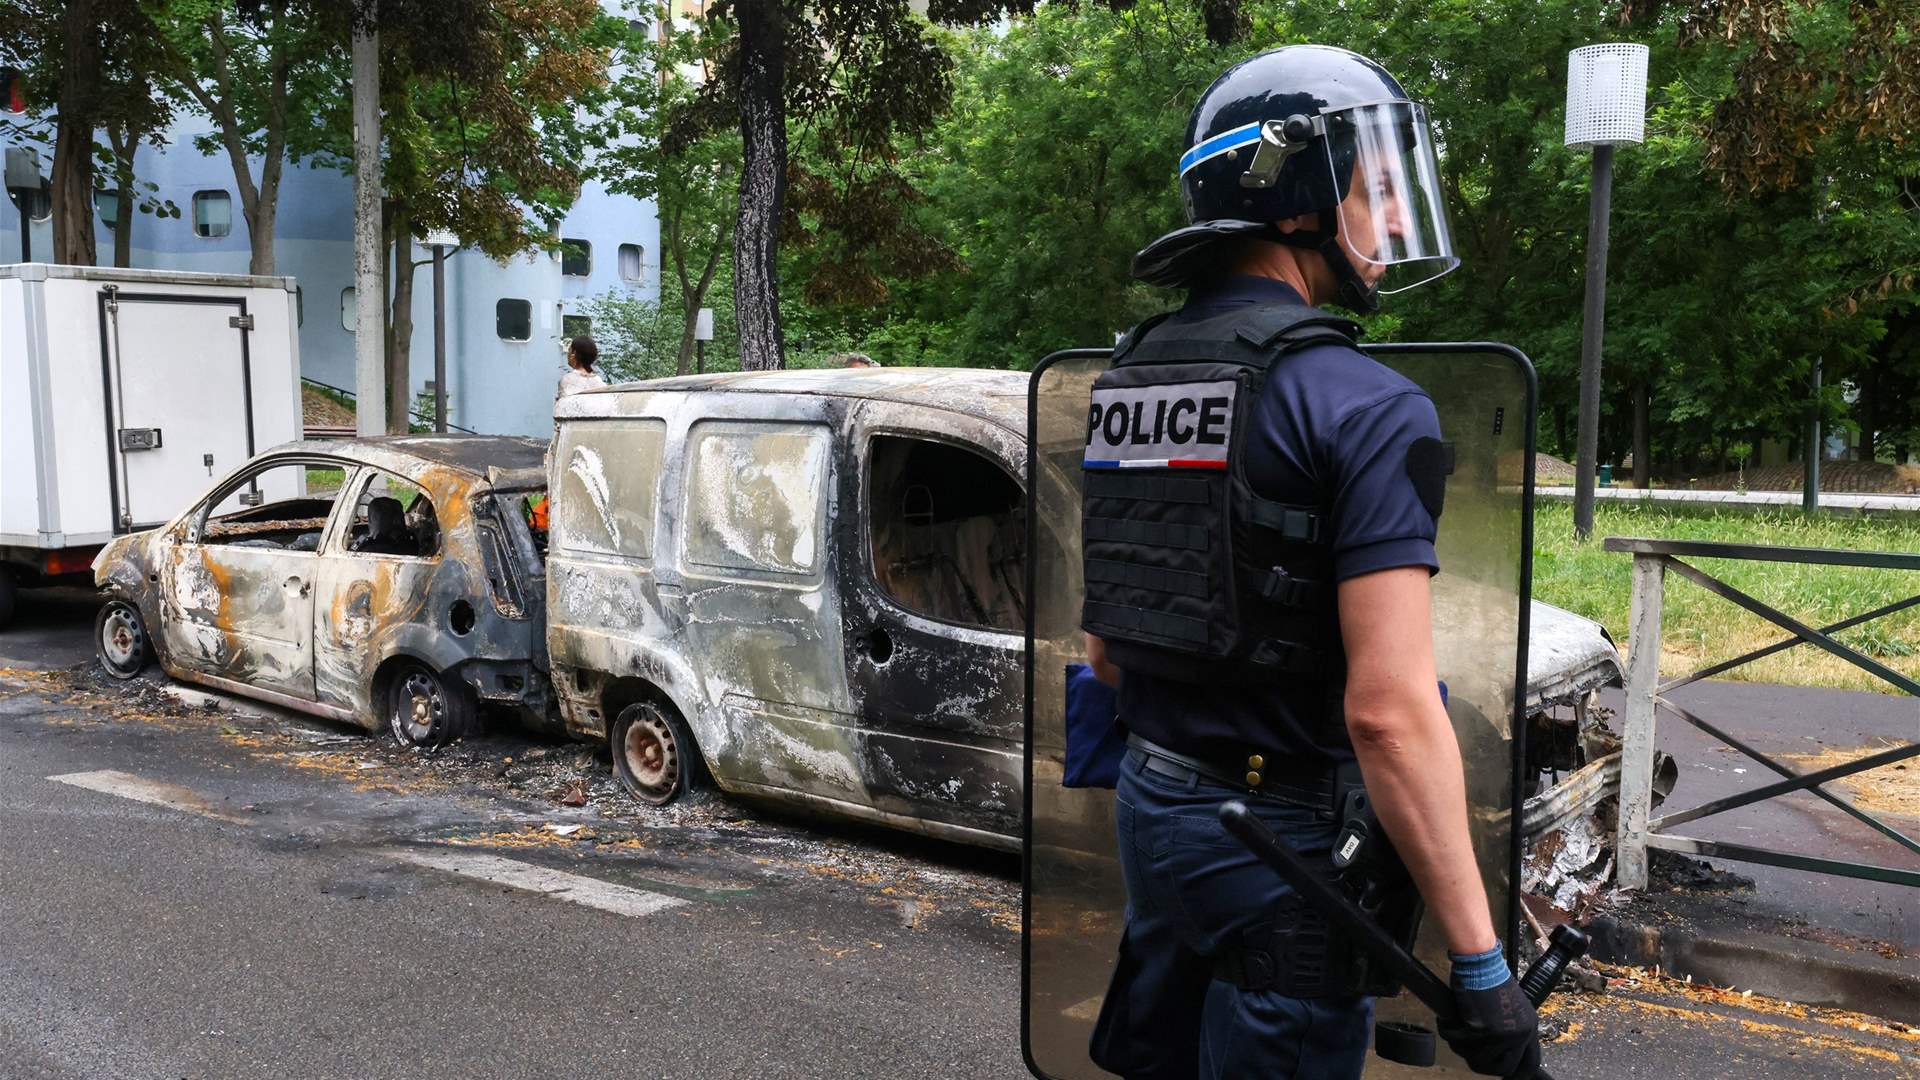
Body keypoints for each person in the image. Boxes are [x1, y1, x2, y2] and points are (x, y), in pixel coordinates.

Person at [1080, 45, 1540, 1080]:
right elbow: (1388, 710)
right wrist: (1480, 964)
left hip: (1155, 810)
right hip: (1283, 845)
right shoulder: (1368, 406)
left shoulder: (1130, 376)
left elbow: (1108, 652)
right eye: (1373, 192)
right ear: (1291, 197)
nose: (1387, 225)